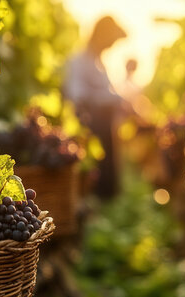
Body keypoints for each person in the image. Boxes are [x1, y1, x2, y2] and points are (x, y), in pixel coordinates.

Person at [63, 16, 127, 199]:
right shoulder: (79, 61)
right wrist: (113, 99)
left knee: (107, 169)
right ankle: (96, 199)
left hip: (103, 128)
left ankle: (107, 198)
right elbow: (77, 95)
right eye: (111, 41)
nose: (111, 46)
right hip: (90, 125)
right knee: (95, 170)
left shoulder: (99, 63)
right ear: (101, 36)